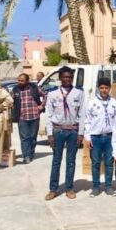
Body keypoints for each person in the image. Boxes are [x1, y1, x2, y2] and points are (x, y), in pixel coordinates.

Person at [43, 66, 84, 200]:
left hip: (72, 130)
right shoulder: (52, 94)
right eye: (65, 77)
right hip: (58, 130)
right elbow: (48, 114)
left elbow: (82, 114)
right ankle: (53, 189)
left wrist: (81, 133)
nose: (67, 79)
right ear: (60, 78)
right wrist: (49, 134)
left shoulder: (78, 93)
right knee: (56, 161)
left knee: (71, 161)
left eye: (70, 77)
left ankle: (69, 188)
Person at [84, 77, 116, 197]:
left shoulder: (114, 103)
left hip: (110, 137)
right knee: (96, 163)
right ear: (98, 88)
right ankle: (96, 187)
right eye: (102, 88)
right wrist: (87, 138)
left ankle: (108, 186)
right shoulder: (92, 103)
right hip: (96, 137)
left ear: (110, 88)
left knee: (109, 162)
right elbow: (87, 121)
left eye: (106, 88)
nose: (104, 90)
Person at [11, 73, 46, 164]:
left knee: (33, 137)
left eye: (22, 81)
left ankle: (31, 152)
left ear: (27, 81)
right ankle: (26, 156)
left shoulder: (34, 88)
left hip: (34, 116)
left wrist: (41, 106)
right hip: (22, 117)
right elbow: (10, 100)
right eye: (19, 80)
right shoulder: (15, 90)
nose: (20, 82)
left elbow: (46, 95)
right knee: (24, 138)